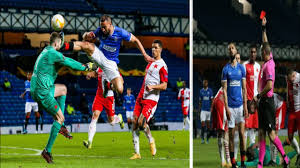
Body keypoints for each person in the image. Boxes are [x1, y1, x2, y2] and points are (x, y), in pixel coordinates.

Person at [30, 32, 96, 163]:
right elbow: (69, 62)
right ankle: (47, 151)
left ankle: (62, 126)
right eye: (60, 43)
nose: (61, 45)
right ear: (56, 43)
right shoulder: (53, 53)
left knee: (63, 89)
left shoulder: (46, 51)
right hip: (42, 91)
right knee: (59, 117)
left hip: (40, 88)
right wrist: (86, 67)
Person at [81, 15, 154, 96]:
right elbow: (85, 38)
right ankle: (68, 46)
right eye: (101, 27)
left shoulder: (120, 32)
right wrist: (87, 34)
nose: (102, 29)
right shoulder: (99, 31)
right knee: (86, 45)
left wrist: (145, 54)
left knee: (120, 89)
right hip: (100, 59)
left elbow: (136, 40)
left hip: (111, 62)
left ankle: (108, 85)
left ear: (110, 24)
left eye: (104, 27)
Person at [253, 17, 289, 168]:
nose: (261, 54)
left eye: (262, 52)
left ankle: (285, 158)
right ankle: (260, 163)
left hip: (267, 102)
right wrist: (263, 28)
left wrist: (258, 96)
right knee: (261, 133)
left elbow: (269, 86)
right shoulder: (269, 58)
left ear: (265, 54)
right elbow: (265, 43)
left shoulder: (269, 67)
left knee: (271, 135)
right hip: (263, 103)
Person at [130, 40, 168, 160]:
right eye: (152, 47)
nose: (153, 50)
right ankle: (137, 153)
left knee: (141, 122)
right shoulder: (151, 62)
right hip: (141, 96)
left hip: (151, 99)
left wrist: (152, 87)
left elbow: (164, 85)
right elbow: (145, 56)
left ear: (160, 49)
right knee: (134, 123)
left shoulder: (163, 66)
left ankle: (151, 140)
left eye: (156, 48)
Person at [83, 67, 124, 149]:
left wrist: (111, 86)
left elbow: (121, 82)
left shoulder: (112, 68)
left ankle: (119, 118)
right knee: (95, 116)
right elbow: (96, 73)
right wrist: (89, 75)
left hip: (109, 98)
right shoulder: (100, 66)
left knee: (111, 121)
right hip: (99, 96)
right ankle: (89, 142)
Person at [222, 43, 248, 168]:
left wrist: (246, 106)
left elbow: (244, 89)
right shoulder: (225, 69)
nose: (231, 50)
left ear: (236, 51)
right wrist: (226, 108)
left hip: (240, 107)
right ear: (228, 53)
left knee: (242, 134)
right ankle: (233, 163)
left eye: (233, 48)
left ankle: (242, 162)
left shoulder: (241, 69)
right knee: (231, 136)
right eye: (229, 49)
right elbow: (224, 90)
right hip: (231, 107)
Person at [242, 45, 260, 147]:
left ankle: (252, 150)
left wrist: (258, 97)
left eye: (254, 52)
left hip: (255, 100)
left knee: (253, 126)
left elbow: (259, 84)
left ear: (256, 54)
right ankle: (243, 150)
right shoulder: (244, 65)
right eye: (251, 52)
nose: (253, 54)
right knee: (245, 126)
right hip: (247, 100)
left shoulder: (258, 66)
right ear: (249, 53)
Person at [211, 88, 231, 167]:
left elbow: (214, 101)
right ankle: (228, 161)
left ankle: (223, 160)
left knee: (220, 133)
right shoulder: (228, 87)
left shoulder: (220, 90)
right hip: (222, 105)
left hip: (217, 105)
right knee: (225, 133)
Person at [286, 68, 300, 167]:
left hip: (299, 110)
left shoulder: (299, 77)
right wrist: (287, 99)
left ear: (294, 75)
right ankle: (299, 152)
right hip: (291, 111)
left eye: (291, 80)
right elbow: (288, 90)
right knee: (290, 137)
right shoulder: (288, 80)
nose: (290, 81)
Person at [199, 79, 214, 144]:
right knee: (203, 124)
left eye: (205, 83)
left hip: (208, 110)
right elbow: (200, 101)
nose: (204, 84)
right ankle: (202, 138)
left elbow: (212, 100)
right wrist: (199, 109)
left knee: (208, 126)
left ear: (207, 83)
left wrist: (212, 108)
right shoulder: (201, 91)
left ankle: (207, 138)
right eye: (204, 83)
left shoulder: (210, 91)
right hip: (203, 110)